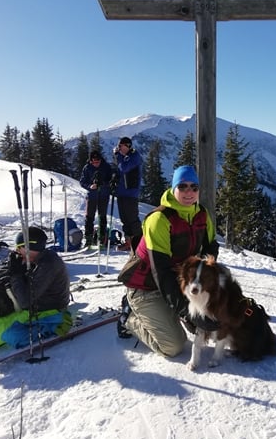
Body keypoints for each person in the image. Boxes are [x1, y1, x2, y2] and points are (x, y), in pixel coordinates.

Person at [116, 165, 220, 357]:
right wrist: (188, 311)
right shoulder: (159, 219)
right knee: (173, 346)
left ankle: (167, 311)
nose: (189, 192)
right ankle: (129, 318)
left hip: (177, 282)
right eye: (182, 186)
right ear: (173, 188)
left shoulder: (202, 214)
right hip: (147, 287)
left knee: (207, 320)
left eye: (194, 187)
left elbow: (210, 250)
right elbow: (161, 271)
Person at [0, 226, 72, 348]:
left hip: (47, 310)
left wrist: (16, 274)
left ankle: (50, 327)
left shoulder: (48, 264)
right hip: (33, 305)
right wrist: (10, 268)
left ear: (29, 247)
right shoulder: (36, 259)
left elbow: (25, 302)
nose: (17, 250)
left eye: (20, 247)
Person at [110, 136, 143, 252]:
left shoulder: (134, 156)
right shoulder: (124, 157)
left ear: (128, 146)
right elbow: (120, 171)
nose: (119, 148)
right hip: (122, 192)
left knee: (132, 219)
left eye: (121, 146)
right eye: (118, 146)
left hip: (131, 193)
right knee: (124, 219)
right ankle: (129, 241)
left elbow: (124, 168)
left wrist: (118, 156)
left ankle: (139, 242)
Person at [79, 149, 113, 247]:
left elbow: (111, 179)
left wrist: (104, 183)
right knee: (89, 217)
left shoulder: (106, 167)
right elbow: (82, 182)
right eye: (93, 162)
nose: (96, 164)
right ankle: (88, 239)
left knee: (102, 216)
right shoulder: (87, 168)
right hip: (92, 196)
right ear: (90, 161)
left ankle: (102, 239)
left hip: (104, 195)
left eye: (98, 161)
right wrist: (90, 186)